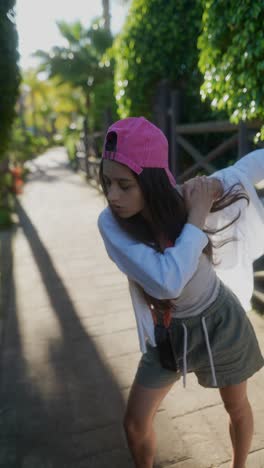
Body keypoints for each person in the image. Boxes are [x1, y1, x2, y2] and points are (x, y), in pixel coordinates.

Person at [97, 116, 264, 468]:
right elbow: (166, 280)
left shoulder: (184, 198)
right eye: (107, 182)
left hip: (221, 322)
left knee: (236, 407)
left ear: (153, 182)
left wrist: (200, 203)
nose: (112, 195)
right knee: (135, 423)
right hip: (170, 332)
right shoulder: (111, 224)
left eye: (124, 185)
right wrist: (196, 218)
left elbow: (243, 169)